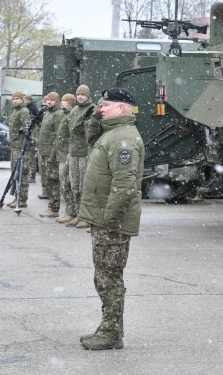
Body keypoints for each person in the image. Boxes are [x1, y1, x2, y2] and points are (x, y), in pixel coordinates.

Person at [77, 87, 144, 350]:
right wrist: (96, 115)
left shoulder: (123, 138)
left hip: (111, 223)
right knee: (104, 276)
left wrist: (111, 219)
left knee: (109, 278)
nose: (100, 108)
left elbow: (125, 183)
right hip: (104, 219)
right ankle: (108, 328)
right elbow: (90, 137)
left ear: (121, 108)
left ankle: (111, 334)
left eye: (105, 105)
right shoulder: (112, 133)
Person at [66, 85, 94, 229]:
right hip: (74, 152)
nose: (80, 97)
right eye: (78, 94)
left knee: (85, 187)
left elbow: (91, 134)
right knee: (74, 185)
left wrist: (89, 153)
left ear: (88, 96)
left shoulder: (91, 110)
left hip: (84, 153)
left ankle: (86, 217)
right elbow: (71, 134)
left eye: (83, 94)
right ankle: (78, 214)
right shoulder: (75, 110)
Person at [38, 92, 64, 217]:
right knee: (46, 181)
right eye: (48, 99)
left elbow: (58, 137)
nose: (49, 102)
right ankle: (51, 206)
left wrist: (52, 155)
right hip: (43, 152)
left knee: (53, 180)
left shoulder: (58, 114)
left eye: (52, 100)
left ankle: (54, 208)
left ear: (57, 101)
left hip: (50, 154)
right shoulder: (48, 113)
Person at [52, 94, 76, 224]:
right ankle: (69, 211)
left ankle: (73, 212)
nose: (61, 103)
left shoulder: (72, 115)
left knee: (69, 184)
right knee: (64, 184)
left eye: (64, 101)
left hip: (68, 154)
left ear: (71, 103)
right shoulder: (64, 115)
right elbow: (59, 137)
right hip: (62, 154)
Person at [7, 91, 31, 208]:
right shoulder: (16, 111)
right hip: (15, 146)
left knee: (22, 173)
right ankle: (17, 196)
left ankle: (22, 198)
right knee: (15, 173)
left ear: (22, 100)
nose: (15, 101)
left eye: (17, 98)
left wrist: (25, 145)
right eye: (13, 98)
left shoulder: (24, 111)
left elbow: (27, 129)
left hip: (21, 147)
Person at [24, 94, 38, 184]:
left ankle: (32, 176)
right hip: (31, 136)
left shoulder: (33, 109)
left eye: (27, 100)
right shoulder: (27, 110)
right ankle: (30, 174)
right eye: (24, 100)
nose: (25, 101)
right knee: (29, 157)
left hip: (33, 136)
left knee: (32, 158)